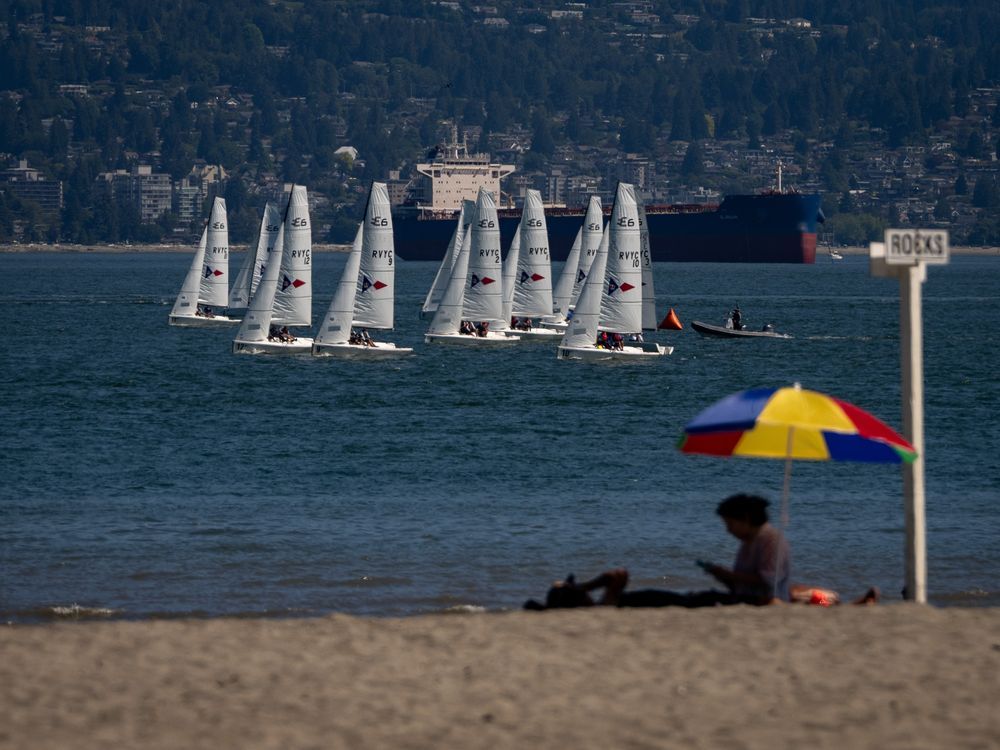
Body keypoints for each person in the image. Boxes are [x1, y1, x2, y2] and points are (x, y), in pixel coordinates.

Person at [524, 493, 791, 610]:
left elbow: (768, 582)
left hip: (751, 603)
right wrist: (721, 575)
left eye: (730, 523)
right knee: (664, 597)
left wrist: (729, 576)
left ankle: (575, 590)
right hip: (732, 599)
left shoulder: (770, 540)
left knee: (664, 598)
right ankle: (575, 590)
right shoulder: (749, 543)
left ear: (745, 518)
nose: (728, 530)